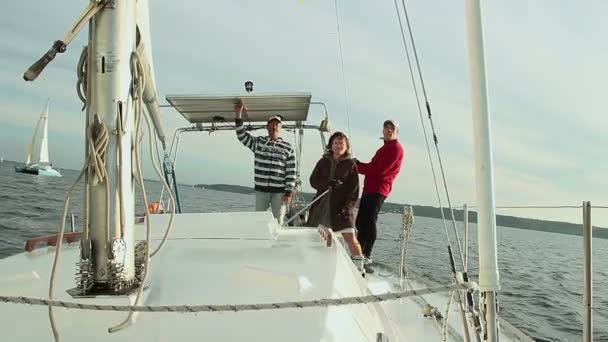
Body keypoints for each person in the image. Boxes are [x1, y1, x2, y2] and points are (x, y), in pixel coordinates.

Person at [307, 132, 365, 274]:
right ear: (331, 145)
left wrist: (348, 208)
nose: (338, 146)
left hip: (341, 209)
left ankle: (359, 268)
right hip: (321, 206)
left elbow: (354, 190)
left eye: (341, 143)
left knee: (350, 237)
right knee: (318, 235)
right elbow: (313, 181)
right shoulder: (323, 162)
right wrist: (327, 183)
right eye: (336, 143)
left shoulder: (351, 165)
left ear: (346, 147)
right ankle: (317, 264)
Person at [234, 101, 296, 224]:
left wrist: (288, 192)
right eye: (272, 123)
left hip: (279, 193)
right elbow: (241, 135)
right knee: (258, 220)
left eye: (277, 124)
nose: (274, 126)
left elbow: (291, 172)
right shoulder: (259, 143)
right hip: (261, 191)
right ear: (267, 127)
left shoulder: (288, 148)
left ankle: (278, 242)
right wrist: (238, 113)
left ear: (281, 127)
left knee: (279, 221)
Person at [355, 119, 404, 273]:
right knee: (361, 221)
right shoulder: (384, 149)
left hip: (379, 190)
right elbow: (372, 166)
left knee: (369, 221)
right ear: (383, 130)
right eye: (386, 127)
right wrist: (358, 164)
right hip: (369, 189)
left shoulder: (396, 149)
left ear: (396, 132)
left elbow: (379, 170)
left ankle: (366, 255)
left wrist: (356, 166)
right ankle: (359, 253)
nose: (388, 130)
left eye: (392, 128)